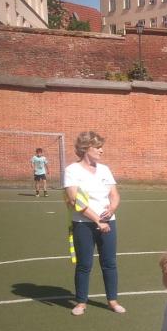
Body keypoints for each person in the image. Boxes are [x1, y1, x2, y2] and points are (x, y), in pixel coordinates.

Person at [63, 131, 125, 316]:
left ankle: (113, 301)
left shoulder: (105, 169)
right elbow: (74, 200)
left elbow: (115, 195)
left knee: (109, 263)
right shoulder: (72, 170)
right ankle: (81, 302)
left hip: (108, 223)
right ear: (85, 148)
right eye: (98, 147)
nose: (101, 150)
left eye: (101, 147)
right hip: (83, 224)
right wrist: (98, 220)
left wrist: (111, 209)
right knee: (84, 264)